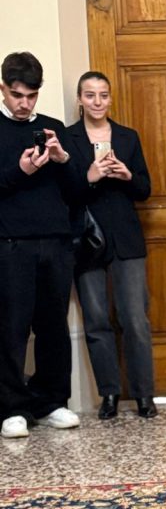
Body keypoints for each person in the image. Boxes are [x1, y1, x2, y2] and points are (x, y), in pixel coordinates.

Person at [0, 52, 82, 439]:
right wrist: (20, 171)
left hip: (56, 242)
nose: (24, 104)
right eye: (17, 95)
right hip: (10, 243)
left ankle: (51, 401)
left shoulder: (53, 129)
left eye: (32, 96)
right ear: (3, 88)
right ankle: (12, 408)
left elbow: (78, 191)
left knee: (53, 327)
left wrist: (63, 160)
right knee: (11, 328)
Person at [67, 71, 156, 420]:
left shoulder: (127, 137)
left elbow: (145, 189)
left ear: (110, 98)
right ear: (80, 99)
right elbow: (64, 193)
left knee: (135, 319)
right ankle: (109, 394)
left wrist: (127, 175)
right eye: (90, 95)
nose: (97, 102)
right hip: (87, 240)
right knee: (96, 320)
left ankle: (144, 394)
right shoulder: (68, 137)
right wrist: (89, 177)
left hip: (126, 239)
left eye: (103, 95)